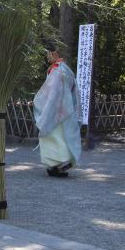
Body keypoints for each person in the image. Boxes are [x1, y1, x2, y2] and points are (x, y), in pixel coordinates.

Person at [34, 41, 82, 178]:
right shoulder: (66, 69)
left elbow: (52, 92)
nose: (47, 57)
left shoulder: (57, 70)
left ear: (54, 54)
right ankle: (56, 166)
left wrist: (44, 105)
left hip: (55, 110)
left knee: (53, 138)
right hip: (65, 111)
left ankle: (55, 166)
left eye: (48, 54)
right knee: (62, 138)